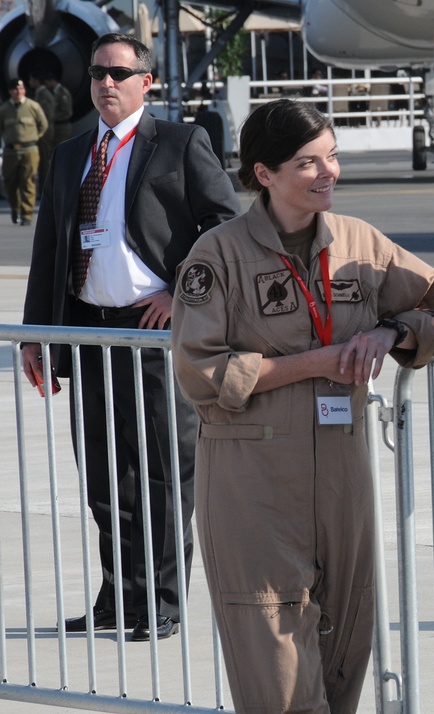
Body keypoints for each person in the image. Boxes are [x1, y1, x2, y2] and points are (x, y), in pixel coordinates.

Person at [170, 97, 434, 714]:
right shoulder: (216, 256)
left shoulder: (359, 243)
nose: (329, 174)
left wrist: (391, 333)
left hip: (344, 476)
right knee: (276, 665)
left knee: (345, 649)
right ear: (264, 174)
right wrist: (316, 364)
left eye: (332, 158)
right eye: (308, 163)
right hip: (256, 481)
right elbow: (199, 370)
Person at [20, 33, 240, 642]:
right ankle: (120, 596)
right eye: (96, 73)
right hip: (90, 331)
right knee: (103, 474)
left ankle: (164, 602)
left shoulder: (180, 143)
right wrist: (38, 335)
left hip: (155, 334)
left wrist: (182, 293)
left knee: (166, 470)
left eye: (118, 73)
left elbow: (226, 227)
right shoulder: (70, 155)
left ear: (147, 82)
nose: (105, 83)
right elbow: (49, 252)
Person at [1, 78, 48, 226]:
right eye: (15, 89)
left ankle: (27, 214)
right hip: (10, 151)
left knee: (28, 181)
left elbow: (43, 125)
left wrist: (34, 138)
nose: (18, 92)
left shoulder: (33, 106)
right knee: (10, 182)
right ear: (10, 91)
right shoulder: (4, 109)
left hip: (29, 149)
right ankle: (15, 208)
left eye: (20, 89)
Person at [28, 71, 56, 189]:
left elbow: (48, 115)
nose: (29, 82)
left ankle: (45, 189)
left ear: (36, 81)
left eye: (31, 79)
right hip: (42, 132)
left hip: (45, 132)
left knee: (44, 161)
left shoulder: (43, 94)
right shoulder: (40, 93)